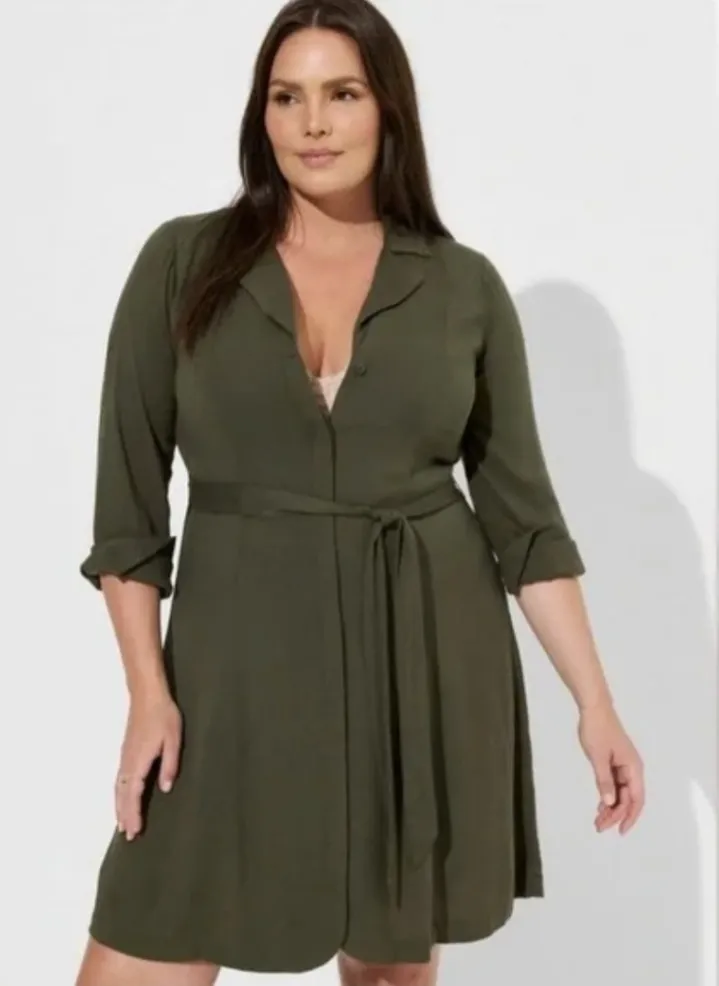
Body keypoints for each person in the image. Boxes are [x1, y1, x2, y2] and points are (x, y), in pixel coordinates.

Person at [73, 1, 646, 984]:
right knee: (145, 942)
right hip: (231, 676)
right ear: (259, 114)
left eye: (341, 94)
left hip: (417, 660)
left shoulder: (462, 286)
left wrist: (595, 703)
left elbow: (523, 526)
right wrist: (147, 693)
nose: (312, 123)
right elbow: (127, 514)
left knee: (387, 970)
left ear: (387, 109)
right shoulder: (181, 263)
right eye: (285, 97)